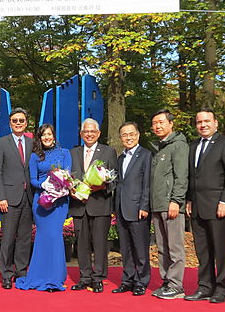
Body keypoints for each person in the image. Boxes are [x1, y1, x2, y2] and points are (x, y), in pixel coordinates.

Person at [185, 109, 225, 303]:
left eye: (207, 121)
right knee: (203, 250)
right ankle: (205, 286)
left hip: (219, 207)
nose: (203, 125)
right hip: (198, 207)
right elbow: (193, 177)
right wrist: (190, 199)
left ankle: (221, 288)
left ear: (215, 123)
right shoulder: (193, 146)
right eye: (199, 122)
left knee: (221, 250)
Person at [15, 124, 71, 292]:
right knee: (43, 237)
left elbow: (68, 176)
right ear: (39, 138)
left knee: (55, 236)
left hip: (60, 201)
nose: (47, 137)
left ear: (54, 136)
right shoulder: (35, 156)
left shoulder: (64, 153)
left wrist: (60, 187)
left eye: (49, 134)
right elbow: (32, 179)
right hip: (42, 200)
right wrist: (44, 185)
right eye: (43, 135)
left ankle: (55, 278)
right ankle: (40, 276)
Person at [69, 118, 118, 293]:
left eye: (92, 131)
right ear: (81, 134)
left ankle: (98, 278)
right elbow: (69, 178)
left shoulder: (108, 152)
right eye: (85, 132)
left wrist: (101, 186)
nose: (89, 134)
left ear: (98, 133)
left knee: (99, 244)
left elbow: (114, 180)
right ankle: (84, 277)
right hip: (78, 206)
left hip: (100, 205)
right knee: (81, 244)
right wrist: (70, 190)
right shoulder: (73, 153)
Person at [0, 107, 34, 290]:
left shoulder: (32, 143)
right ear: (10, 123)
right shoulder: (1, 143)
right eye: (15, 121)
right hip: (8, 198)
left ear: (26, 123)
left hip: (29, 198)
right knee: (8, 238)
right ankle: (7, 274)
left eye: (21, 120)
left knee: (25, 238)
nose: (18, 123)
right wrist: (0, 196)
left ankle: (22, 271)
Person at [150, 108, 189, 300]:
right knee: (162, 247)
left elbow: (181, 176)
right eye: (155, 123)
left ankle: (176, 285)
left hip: (171, 205)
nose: (157, 126)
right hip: (158, 205)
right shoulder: (161, 147)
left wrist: (176, 200)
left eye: (161, 122)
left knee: (174, 247)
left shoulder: (179, 145)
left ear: (171, 124)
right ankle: (167, 282)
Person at [112, 122, 152, 296]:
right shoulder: (120, 158)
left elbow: (147, 183)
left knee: (140, 248)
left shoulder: (146, 155)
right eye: (124, 135)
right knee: (125, 247)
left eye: (131, 134)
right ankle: (127, 279)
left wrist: (144, 205)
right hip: (121, 208)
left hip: (137, 209)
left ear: (138, 135)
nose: (128, 138)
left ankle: (141, 281)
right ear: (120, 138)